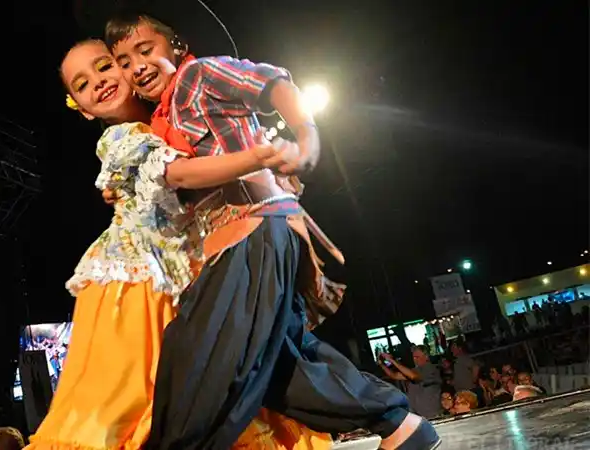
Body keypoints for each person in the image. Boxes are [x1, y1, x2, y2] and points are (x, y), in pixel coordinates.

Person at [103, 12, 440, 450]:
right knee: (279, 361)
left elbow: (274, 82)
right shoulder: (160, 122)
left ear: (176, 46)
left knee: (197, 350)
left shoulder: (199, 75)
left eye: (145, 51)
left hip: (254, 228)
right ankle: (400, 425)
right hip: (235, 239)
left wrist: (307, 139)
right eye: (125, 61)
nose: (137, 67)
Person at [27, 38, 333, 450]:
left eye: (104, 66)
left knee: (222, 381)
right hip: (137, 287)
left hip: (191, 271)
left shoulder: (170, 117)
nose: (98, 83)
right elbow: (183, 174)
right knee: (139, 405)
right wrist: (258, 157)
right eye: (82, 85)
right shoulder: (121, 139)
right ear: (81, 108)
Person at [378, 347, 442, 419]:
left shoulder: (430, 368)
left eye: (417, 357)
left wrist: (392, 360)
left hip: (430, 413)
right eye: (414, 357)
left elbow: (413, 376)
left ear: (426, 356)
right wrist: (381, 364)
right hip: (417, 414)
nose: (415, 359)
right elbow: (394, 375)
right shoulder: (415, 370)